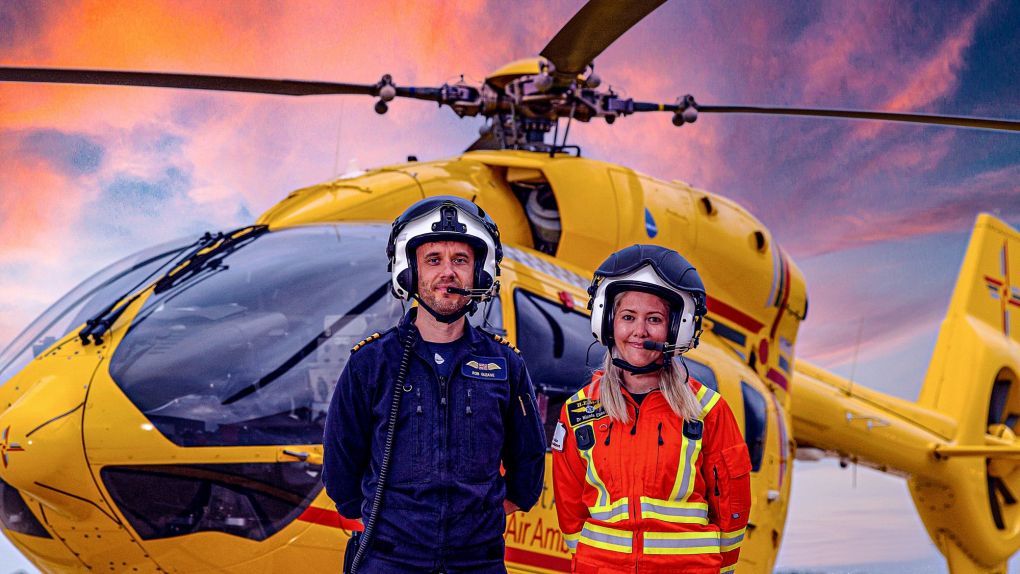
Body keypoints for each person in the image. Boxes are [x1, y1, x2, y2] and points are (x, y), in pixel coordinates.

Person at [323, 196, 546, 574]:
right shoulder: (370, 363)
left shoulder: (506, 364)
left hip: (478, 563)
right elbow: (341, 471)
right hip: (388, 561)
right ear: (408, 272)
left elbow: (528, 469)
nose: (448, 272)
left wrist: (475, 526)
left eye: (460, 260)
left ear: (480, 272)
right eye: (433, 260)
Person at [552, 244, 751, 574]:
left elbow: (732, 507)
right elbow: (570, 512)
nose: (639, 331)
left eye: (654, 319)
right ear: (608, 321)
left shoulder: (708, 411)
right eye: (628, 317)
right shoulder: (578, 411)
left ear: (678, 328)